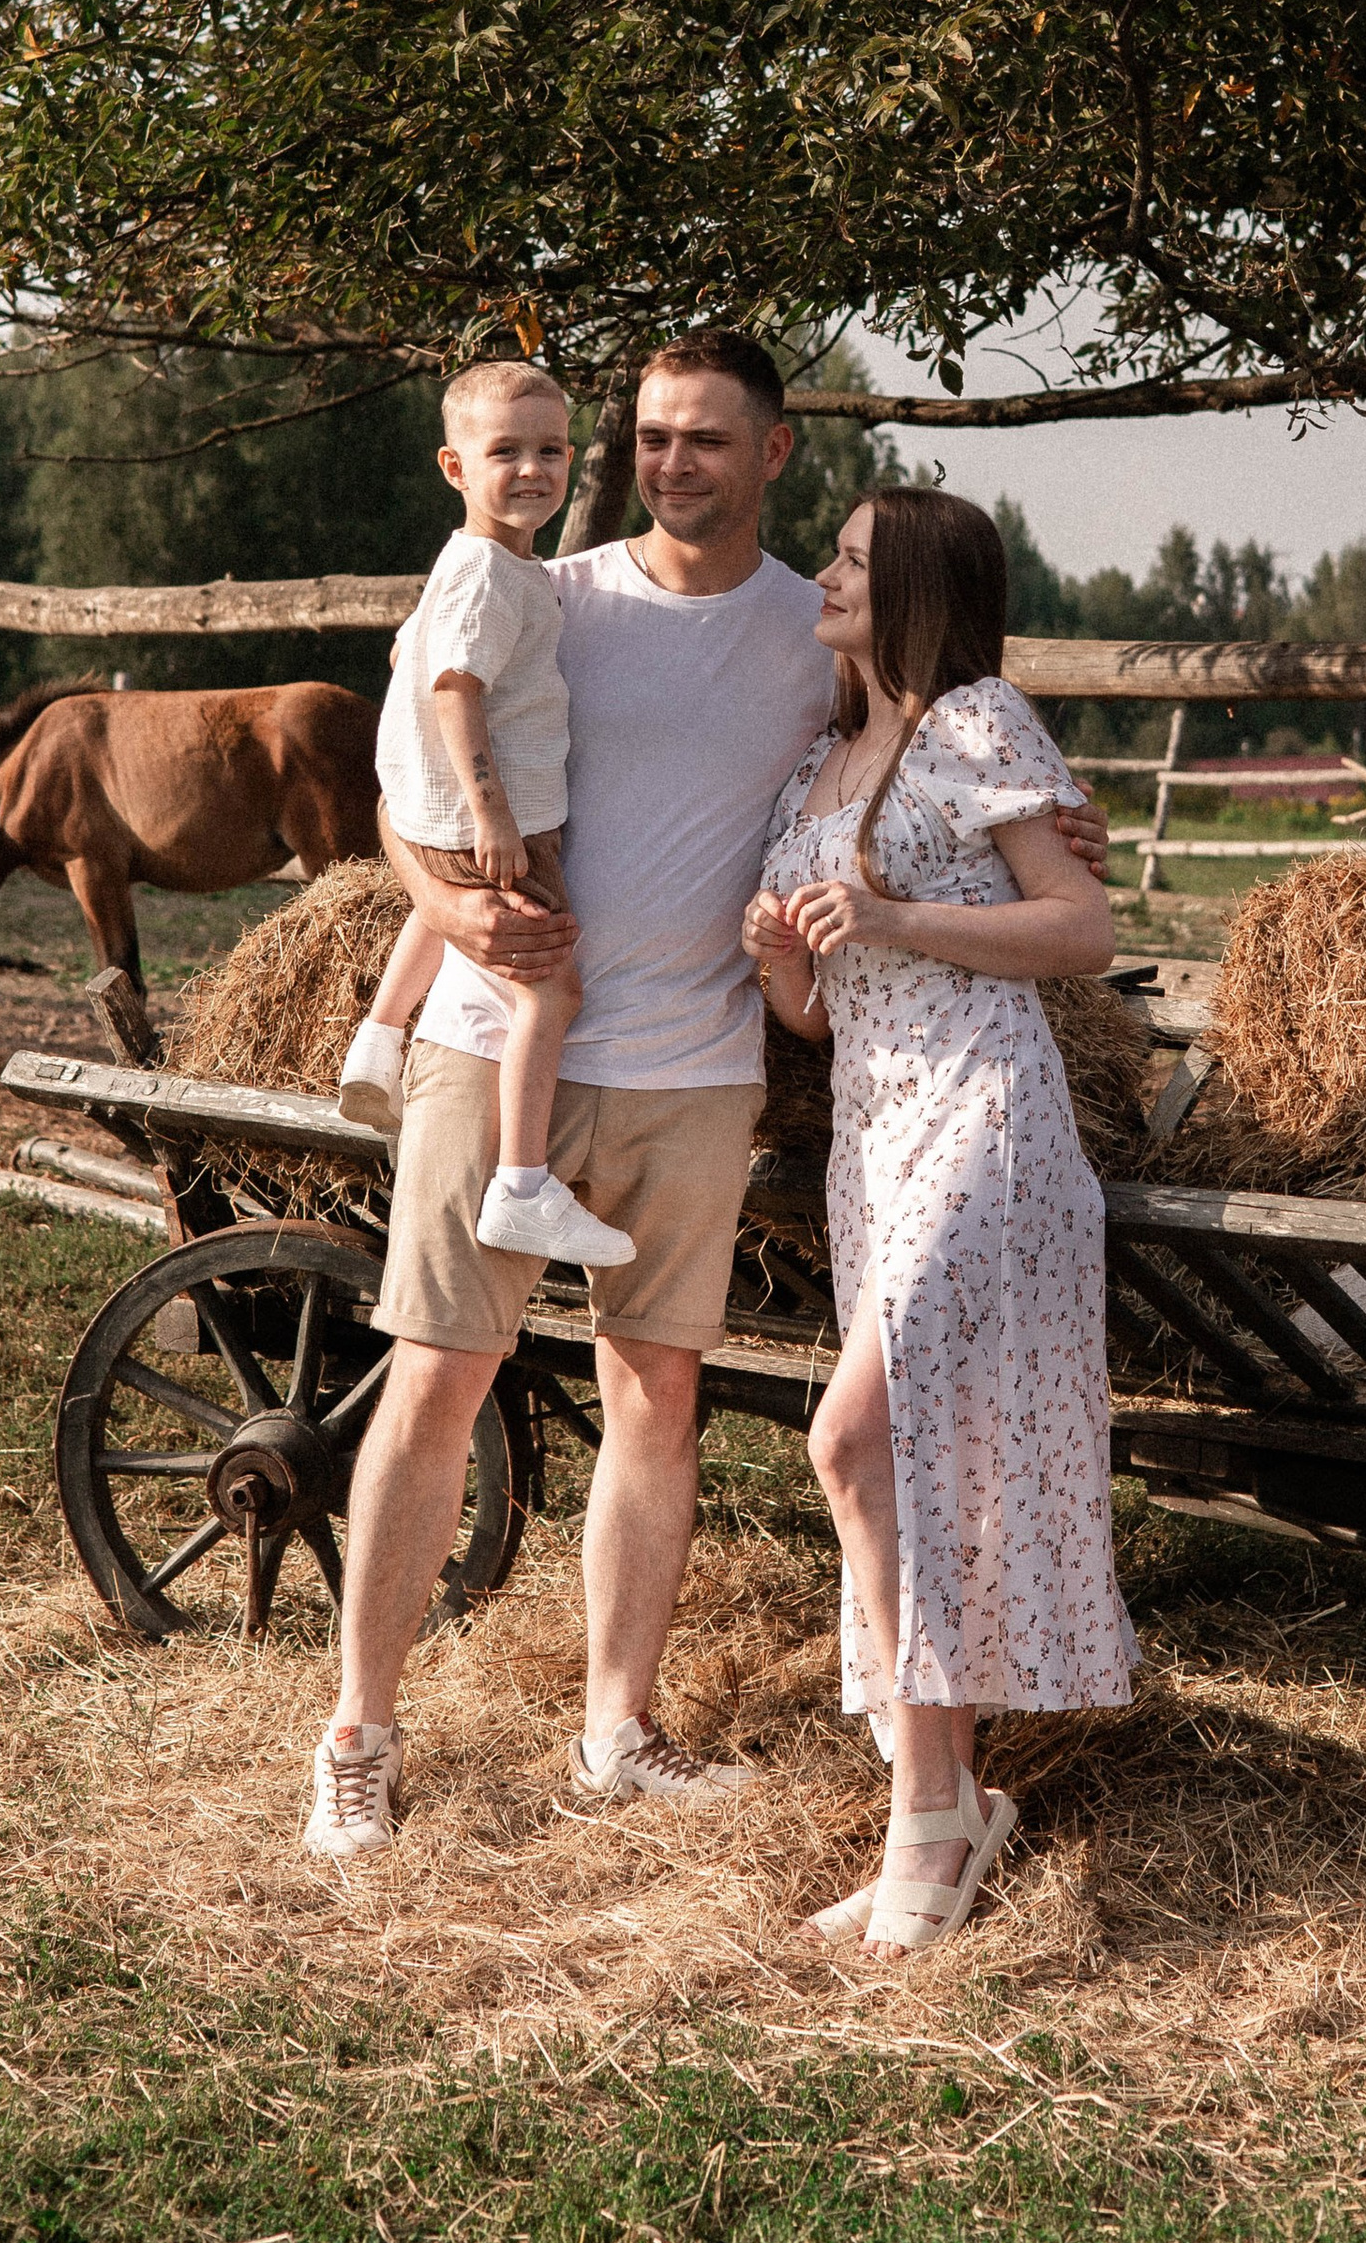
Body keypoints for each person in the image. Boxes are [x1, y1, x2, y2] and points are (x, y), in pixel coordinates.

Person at [301, 335, 1107, 1864]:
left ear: (775, 453)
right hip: (501, 1041)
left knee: (654, 1396)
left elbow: (926, 747)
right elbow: (414, 771)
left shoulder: (814, 627)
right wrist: (449, 910)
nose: (674, 465)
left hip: (698, 1067)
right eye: (655, 439)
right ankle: (358, 1733)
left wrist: (1064, 812)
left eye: (709, 441)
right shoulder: (551, 591)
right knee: (438, 1376)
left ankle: (618, 1729)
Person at [743, 486, 1137, 1959]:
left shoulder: (979, 722)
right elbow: (813, 1010)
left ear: (911, 585)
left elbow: (1082, 934)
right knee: (909, 1461)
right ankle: (951, 1802)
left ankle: (927, 1819)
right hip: (875, 1133)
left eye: (848, 562)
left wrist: (895, 918)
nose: (825, 581)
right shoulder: (816, 770)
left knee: (851, 1442)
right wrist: (783, 953)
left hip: (987, 1120)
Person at [339, 359, 633, 1274]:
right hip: (484, 822)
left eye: (550, 449)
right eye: (504, 451)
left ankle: (379, 1043)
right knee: (550, 992)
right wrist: (492, 811)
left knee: (446, 922)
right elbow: (454, 687)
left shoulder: (484, 562)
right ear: (455, 467)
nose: (532, 470)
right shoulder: (491, 575)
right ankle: (521, 1185)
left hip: (450, 819)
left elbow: (418, 647)